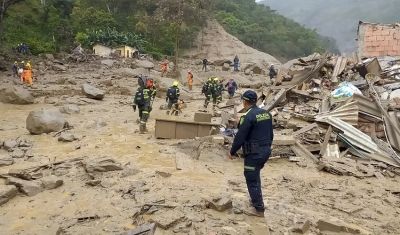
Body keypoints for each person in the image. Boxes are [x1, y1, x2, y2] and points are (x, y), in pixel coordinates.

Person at [228, 90, 273, 217]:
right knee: (255, 175)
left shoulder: (247, 117)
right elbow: (271, 134)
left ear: (244, 101)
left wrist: (232, 152)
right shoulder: (266, 113)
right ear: (256, 101)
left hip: (254, 153)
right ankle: (256, 199)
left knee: (251, 179)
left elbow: (240, 137)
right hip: (265, 151)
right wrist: (267, 148)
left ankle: (258, 209)